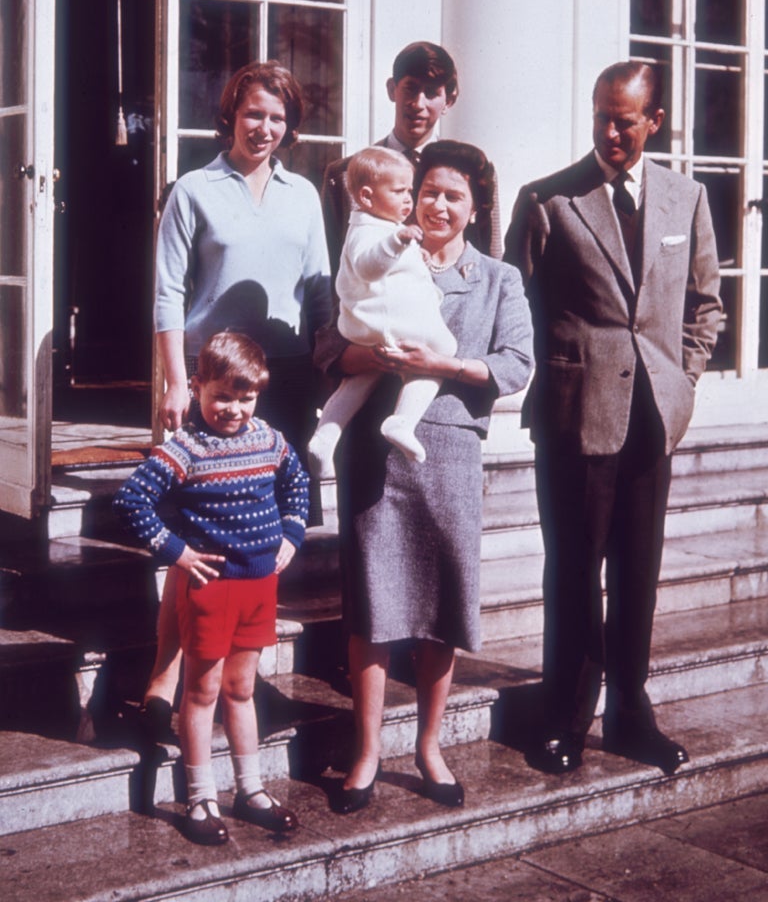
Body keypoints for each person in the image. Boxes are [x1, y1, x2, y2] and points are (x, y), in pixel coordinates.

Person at [504, 61, 722, 777]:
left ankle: (630, 713)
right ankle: (564, 718)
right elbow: (519, 305)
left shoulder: (686, 199)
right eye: (601, 115)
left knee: (639, 572)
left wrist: (682, 381)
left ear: (654, 121)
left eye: (624, 119)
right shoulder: (549, 200)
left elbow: (703, 305)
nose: (609, 131)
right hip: (576, 418)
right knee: (574, 570)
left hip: (653, 417)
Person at [315, 140, 533, 813]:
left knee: (443, 604)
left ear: (473, 208)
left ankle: (429, 746)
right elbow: (328, 348)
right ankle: (366, 751)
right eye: (428, 190)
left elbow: (516, 364)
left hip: (448, 448)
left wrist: (446, 366)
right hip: (375, 454)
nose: (436, 204)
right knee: (372, 606)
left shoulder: (498, 278)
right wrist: (371, 355)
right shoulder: (377, 253)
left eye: (452, 195)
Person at [142, 59, 332, 738]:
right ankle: (167, 675)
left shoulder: (303, 195)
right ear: (231, 114)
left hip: (282, 381)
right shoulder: (195, 189)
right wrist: (174, 382)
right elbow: (167, 290)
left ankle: (243, 673)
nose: (265, 128)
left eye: (278, 118)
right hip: (211, 381)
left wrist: (335, 357)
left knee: (257, 536)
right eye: (254, 113)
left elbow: (319, 288)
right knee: (194, 539)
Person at [114, 332, 309, 845]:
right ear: (196, 386)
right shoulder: (185, 448)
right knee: (199, 694)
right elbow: (134, 500)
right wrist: (176, 552)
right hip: (210, 589)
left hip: (259, 586)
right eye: (223, 396)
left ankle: (251, 791)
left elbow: (297, 482)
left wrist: (292, 531)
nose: (235, 409)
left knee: (241, 689)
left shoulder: (269, 439)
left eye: (246, 398)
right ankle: (199, 797)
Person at [308, 146, 457, 476]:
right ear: (366, 195)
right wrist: (399, 241)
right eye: (399, 191)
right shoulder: (369, 230)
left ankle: (326, 436)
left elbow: (405, 276)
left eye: (410, 190)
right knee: (444, 350)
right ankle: (402, 421)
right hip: (386, 320)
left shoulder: (380, 226)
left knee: (361, 379)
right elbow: (368, 267)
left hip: (372, 325)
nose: (408, 199)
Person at [321, 41, 503, 273]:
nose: (418, 104)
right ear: (391, 89)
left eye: (431, 93)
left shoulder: (474, 170)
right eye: (410, 88)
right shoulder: (346, 174)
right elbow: (332, 268)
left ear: (449, 100)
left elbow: (492, 256)